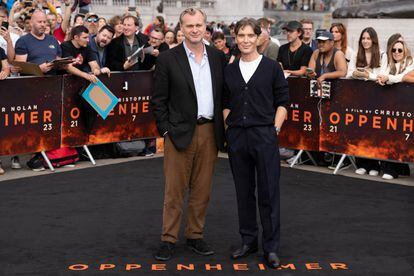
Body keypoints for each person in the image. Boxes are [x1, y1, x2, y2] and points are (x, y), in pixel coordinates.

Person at [150, 7, 226, 261]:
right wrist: (166, 130)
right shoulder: (167, 59)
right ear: (180, 28)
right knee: (174, 191)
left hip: (210, 132)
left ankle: (195, 235)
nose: (194, 29)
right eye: (189, 25)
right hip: (179, 132)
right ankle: (168, 239)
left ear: (206, 27)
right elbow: (158, 101)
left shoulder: (217, 57)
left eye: (199, 25)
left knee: (202, 190)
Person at [223, 17, 289, 269]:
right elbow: (225, 103)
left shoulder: (272, 67)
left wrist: (274, 129)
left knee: (269, 192)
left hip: (264, 135)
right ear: (235, 38)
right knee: (243, 192)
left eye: (250, 35)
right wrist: (229, 130)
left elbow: (283, 101)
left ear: (259, 37)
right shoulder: (229, 70)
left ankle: (271, 247)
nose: (246, 40)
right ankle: (248, 240)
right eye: (241, 36)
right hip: (238, 137)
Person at [14, 10, 62, 75]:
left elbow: (58, 61)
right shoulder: (23, 41)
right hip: (32, 82)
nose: (43, 24)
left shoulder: (53, 39)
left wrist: (66, 64)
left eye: (44, 22)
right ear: (31, 23)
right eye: (39, 22)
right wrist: (38, 69)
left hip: (53, 81)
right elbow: (20, 68)